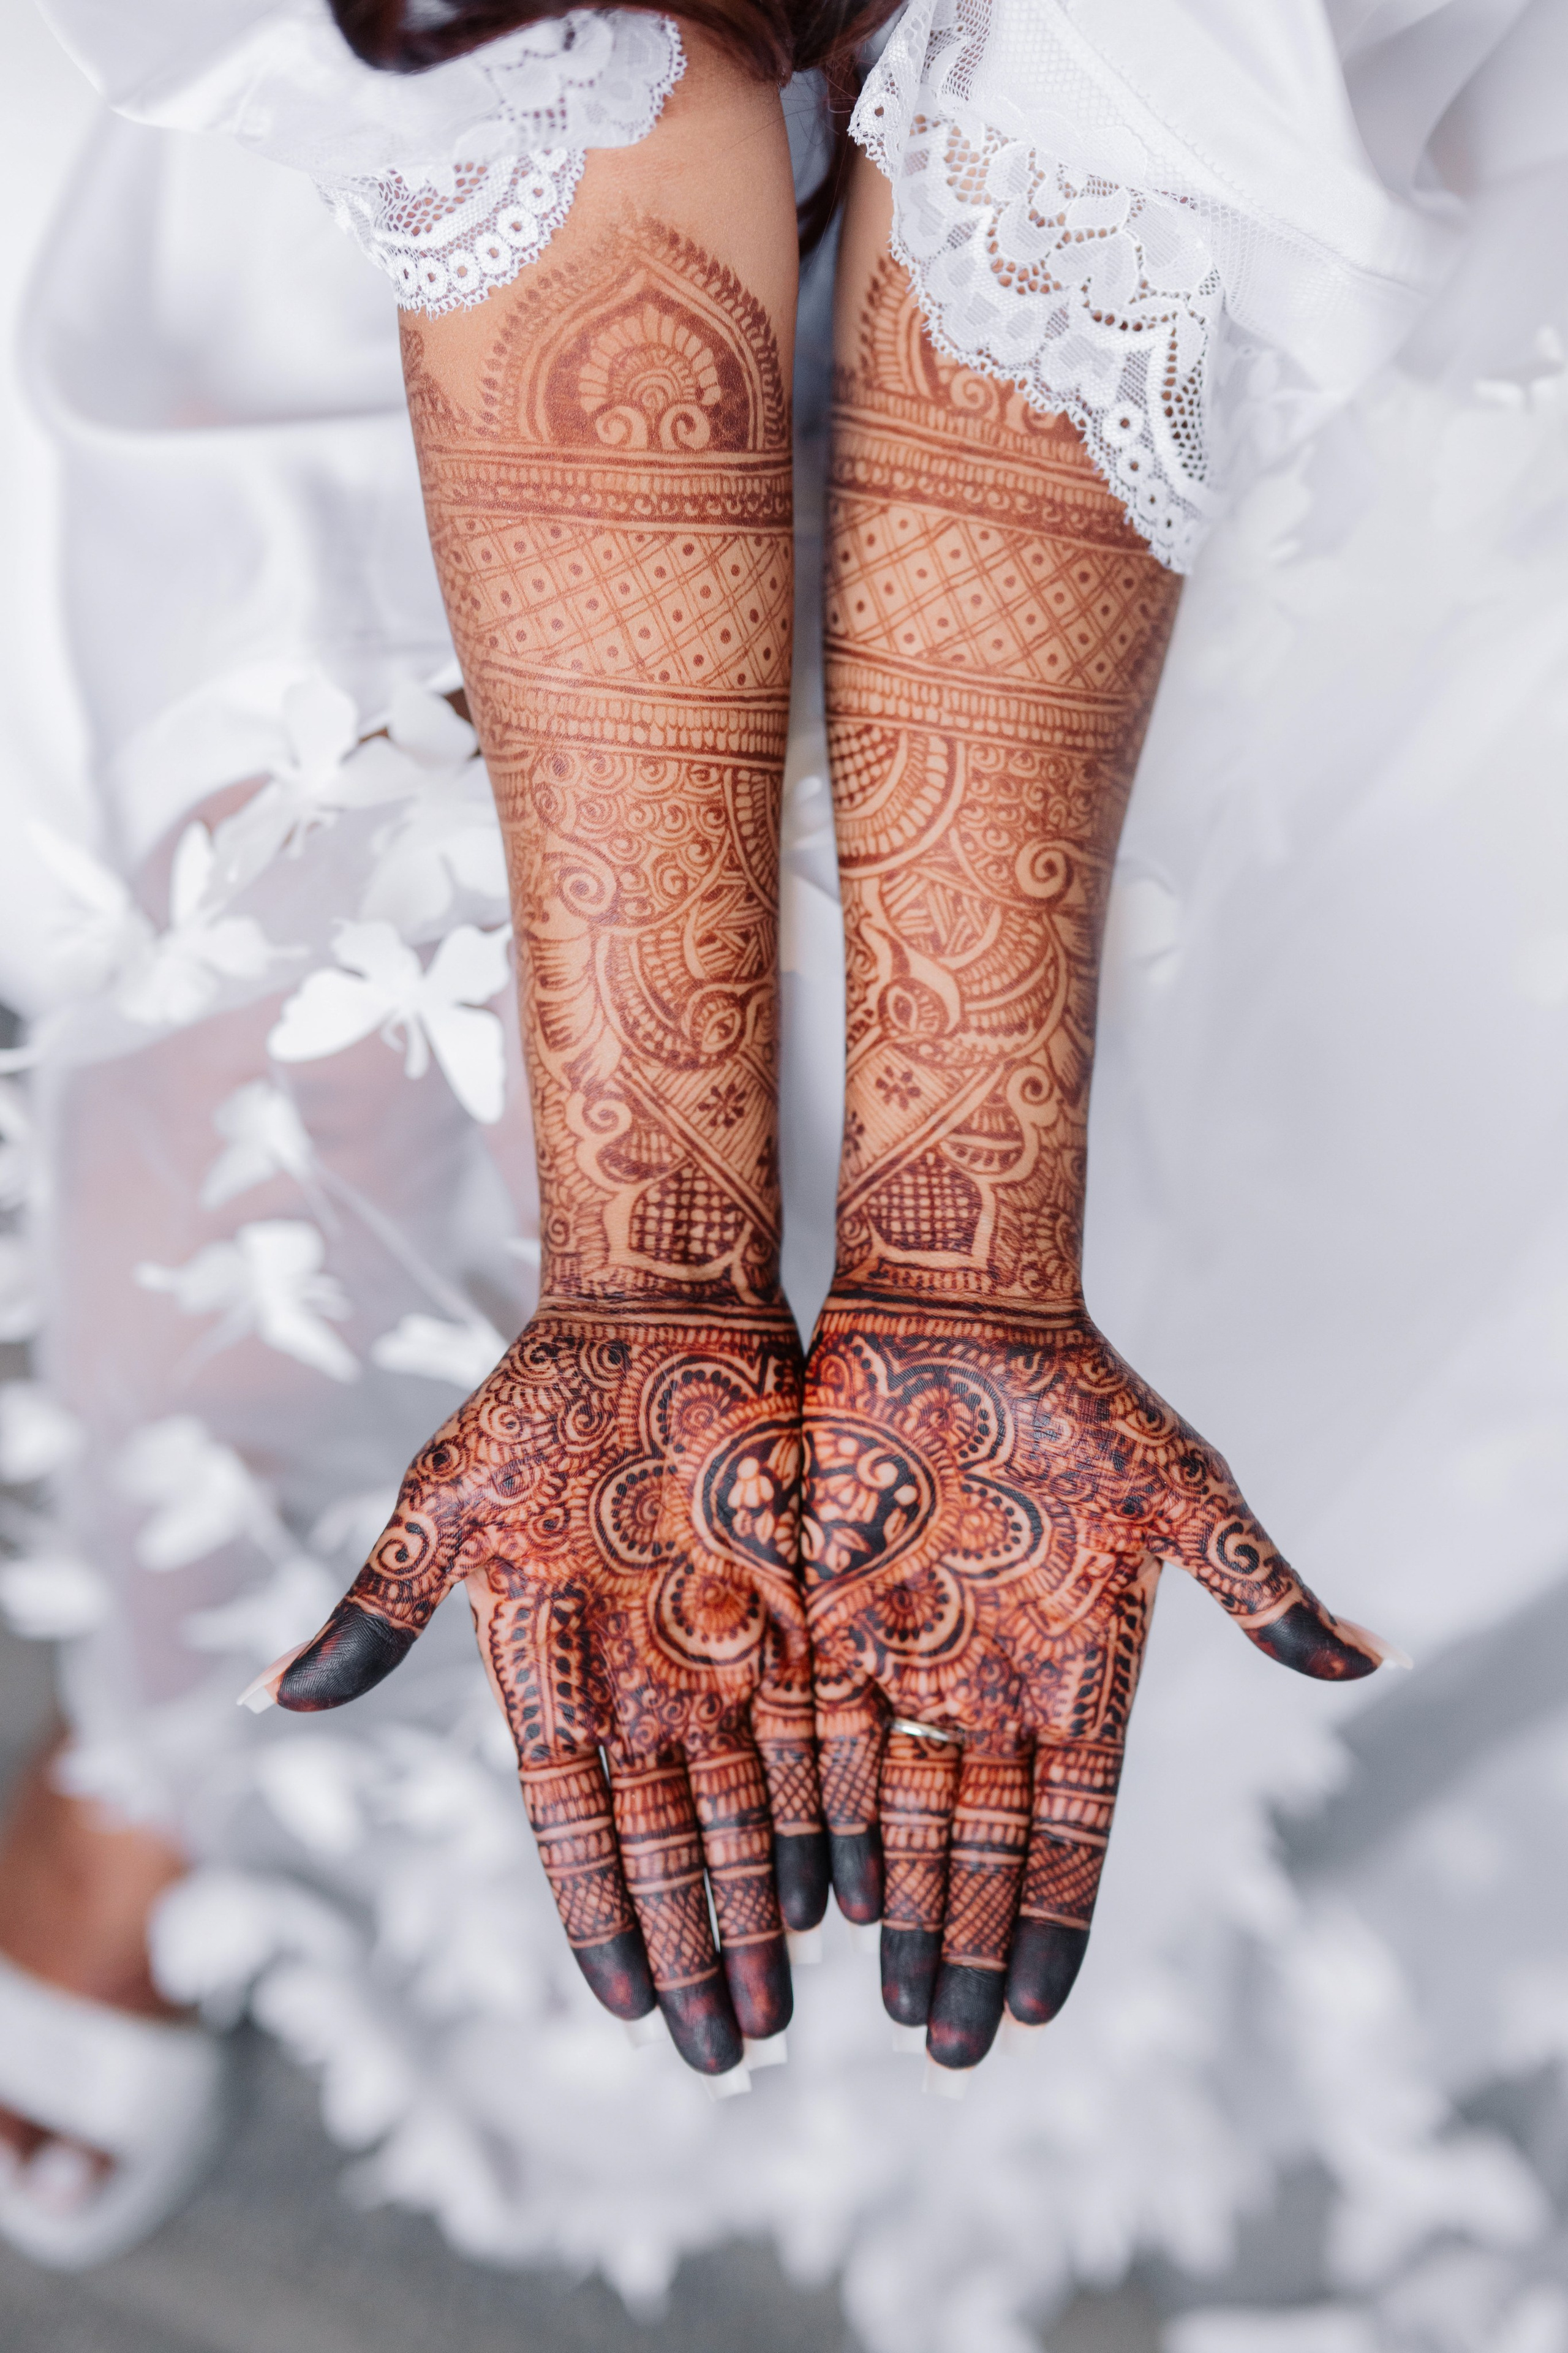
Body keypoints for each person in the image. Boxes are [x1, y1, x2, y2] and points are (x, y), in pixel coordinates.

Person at [0, 0, 1560, 2325]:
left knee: (1257, 1114)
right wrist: (663, 1272)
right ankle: (164, 1772)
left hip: (1304, 287)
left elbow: (1132, 139)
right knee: (304, 1103)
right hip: (415, 295)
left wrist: (952, 1260)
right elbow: (567, 91)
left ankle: (199, 1769)